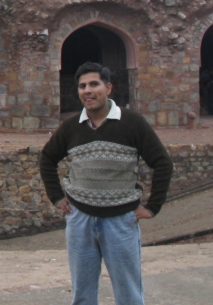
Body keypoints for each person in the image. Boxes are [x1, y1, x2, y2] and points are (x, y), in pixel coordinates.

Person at [40, 62, 173, 305]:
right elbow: (48, 158)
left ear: (108, 87)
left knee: (128, 292)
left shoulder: (132, 123)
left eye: (94, 84)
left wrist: (153, 206)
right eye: (82, 86)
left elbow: (162, 163)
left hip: (120, 221)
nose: (87, 91)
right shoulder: (72, 127)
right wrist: (57, 197)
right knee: (82, 293)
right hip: (80, 220)